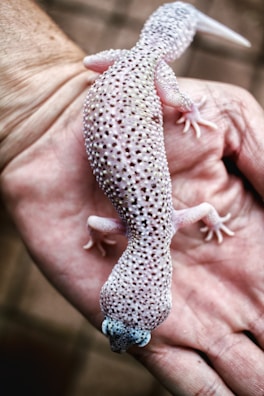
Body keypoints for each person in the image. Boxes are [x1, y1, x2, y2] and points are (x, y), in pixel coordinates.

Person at [1, 1, 264, 394]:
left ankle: (185, 87)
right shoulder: (122, 228)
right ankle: (186, 90)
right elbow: (95, 224)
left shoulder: (174, 220)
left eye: (113, 326)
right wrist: (98, 238)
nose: (117, 340)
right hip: (119, 67)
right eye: (138, 333)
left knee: (162, 89)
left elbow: (208, 210)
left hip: (135, 67)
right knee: (97, 63)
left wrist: (215, 220)